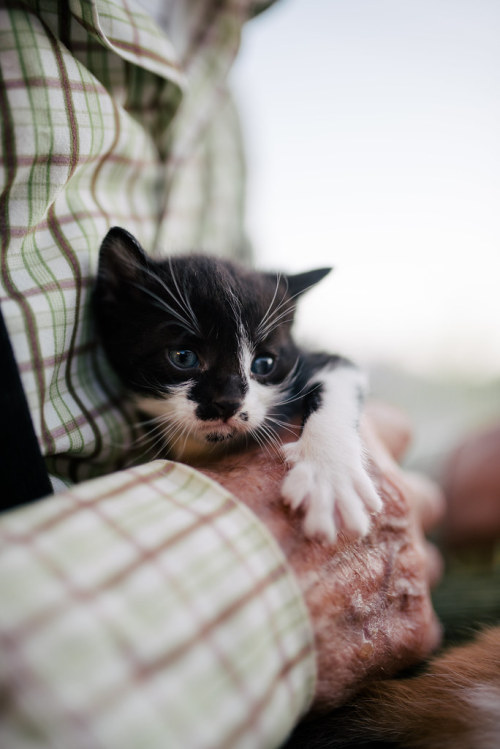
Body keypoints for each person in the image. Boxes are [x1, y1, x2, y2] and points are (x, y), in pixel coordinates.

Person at [0, 1, 443, 746]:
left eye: (261, 365)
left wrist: (334, 444)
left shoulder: (222, 59)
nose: (234, 400)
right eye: (186, 360)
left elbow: (333, 371)